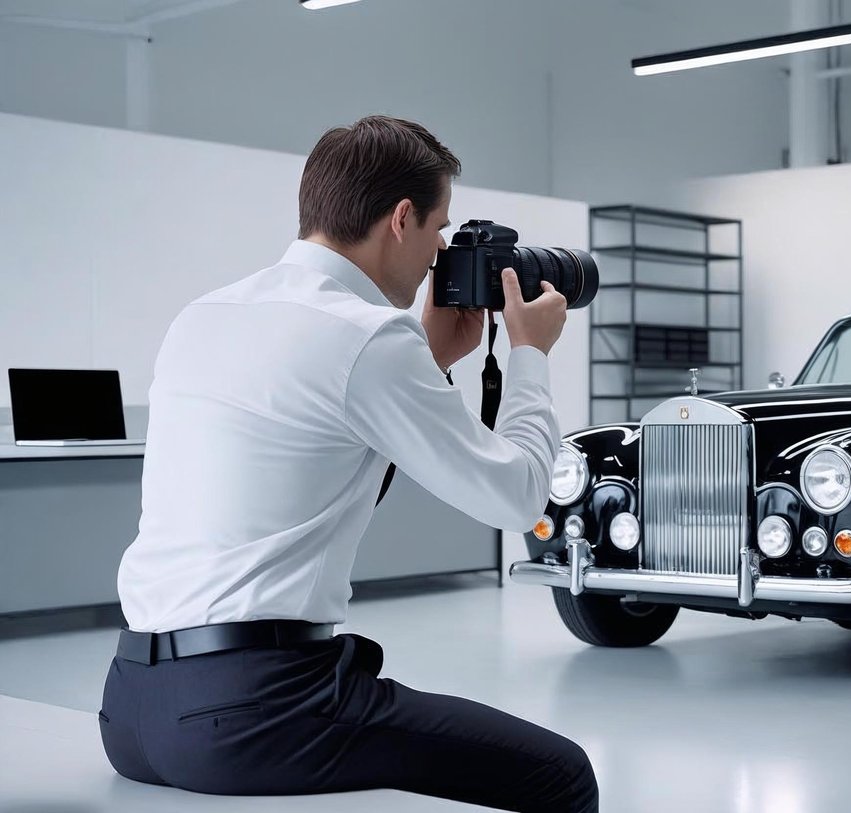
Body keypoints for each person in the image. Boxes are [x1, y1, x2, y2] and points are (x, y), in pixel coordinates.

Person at [98, 115, 598, 812]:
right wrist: (530, 356)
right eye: (438, 229)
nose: (438, 257)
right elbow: (517, 499)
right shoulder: (366, 335)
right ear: (401, 219)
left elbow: (306, 467)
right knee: (563, 773)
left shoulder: (204, 313)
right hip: (257, 710)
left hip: (129, 707)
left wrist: (424, 357)